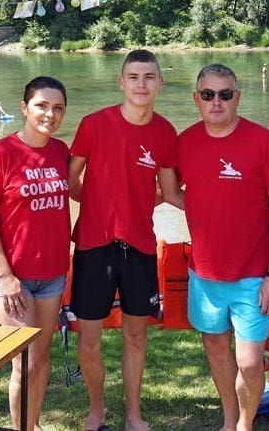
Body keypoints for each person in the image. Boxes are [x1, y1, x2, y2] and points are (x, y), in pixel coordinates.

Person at [176, 63, 269, 431]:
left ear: (237, 97)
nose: (216, 101)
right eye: (208, 94)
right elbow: (169, 191)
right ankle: (230, 421)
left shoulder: (262, 141)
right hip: (205, 274)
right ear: (196, 99)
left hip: (255, 276)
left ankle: (245, 424)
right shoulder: (185, 142)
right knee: (216, 349)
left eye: (225, 94)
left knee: (249, 361)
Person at [68, 49, 181, 431]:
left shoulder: (165, 132)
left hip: (140, 247)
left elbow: (170, 191)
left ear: (160, 83)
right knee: (88, 342)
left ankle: (133, 415)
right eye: (133, 77)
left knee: (136, 337)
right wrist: (96, 201)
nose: (141, 85)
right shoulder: (93, 124)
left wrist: (224, 205)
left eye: (149, 77)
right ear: (121, 82)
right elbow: (69, 179)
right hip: (93, 246)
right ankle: (96, 410)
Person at [0, 76, 70, 431]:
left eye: (58, 108)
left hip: (53, 273)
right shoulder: (0, 154)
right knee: (25, 359)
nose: (50, 114)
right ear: (24, 108)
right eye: (42, 106)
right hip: (11, 276)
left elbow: (86, 190)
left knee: (41, 356)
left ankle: (33, 423)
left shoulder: (61, 151)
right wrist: (6, 276)